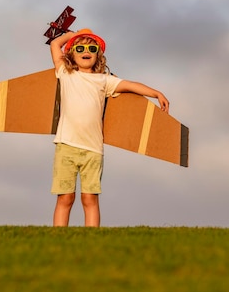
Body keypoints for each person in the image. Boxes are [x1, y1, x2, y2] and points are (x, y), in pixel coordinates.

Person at [49, 28, 169, 227]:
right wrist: (72, 35)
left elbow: (130, 85)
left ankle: (93, 240)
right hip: (66, 146)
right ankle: (58, 238)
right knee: (65, 198)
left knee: (90, 199)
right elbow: (55, 45)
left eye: (91, 47)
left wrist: (156, 93)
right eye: (79, 47)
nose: (85, 51)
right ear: (71, 54)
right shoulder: (65, 72)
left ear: (98, 55)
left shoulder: (104, 81)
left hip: (93, 150)